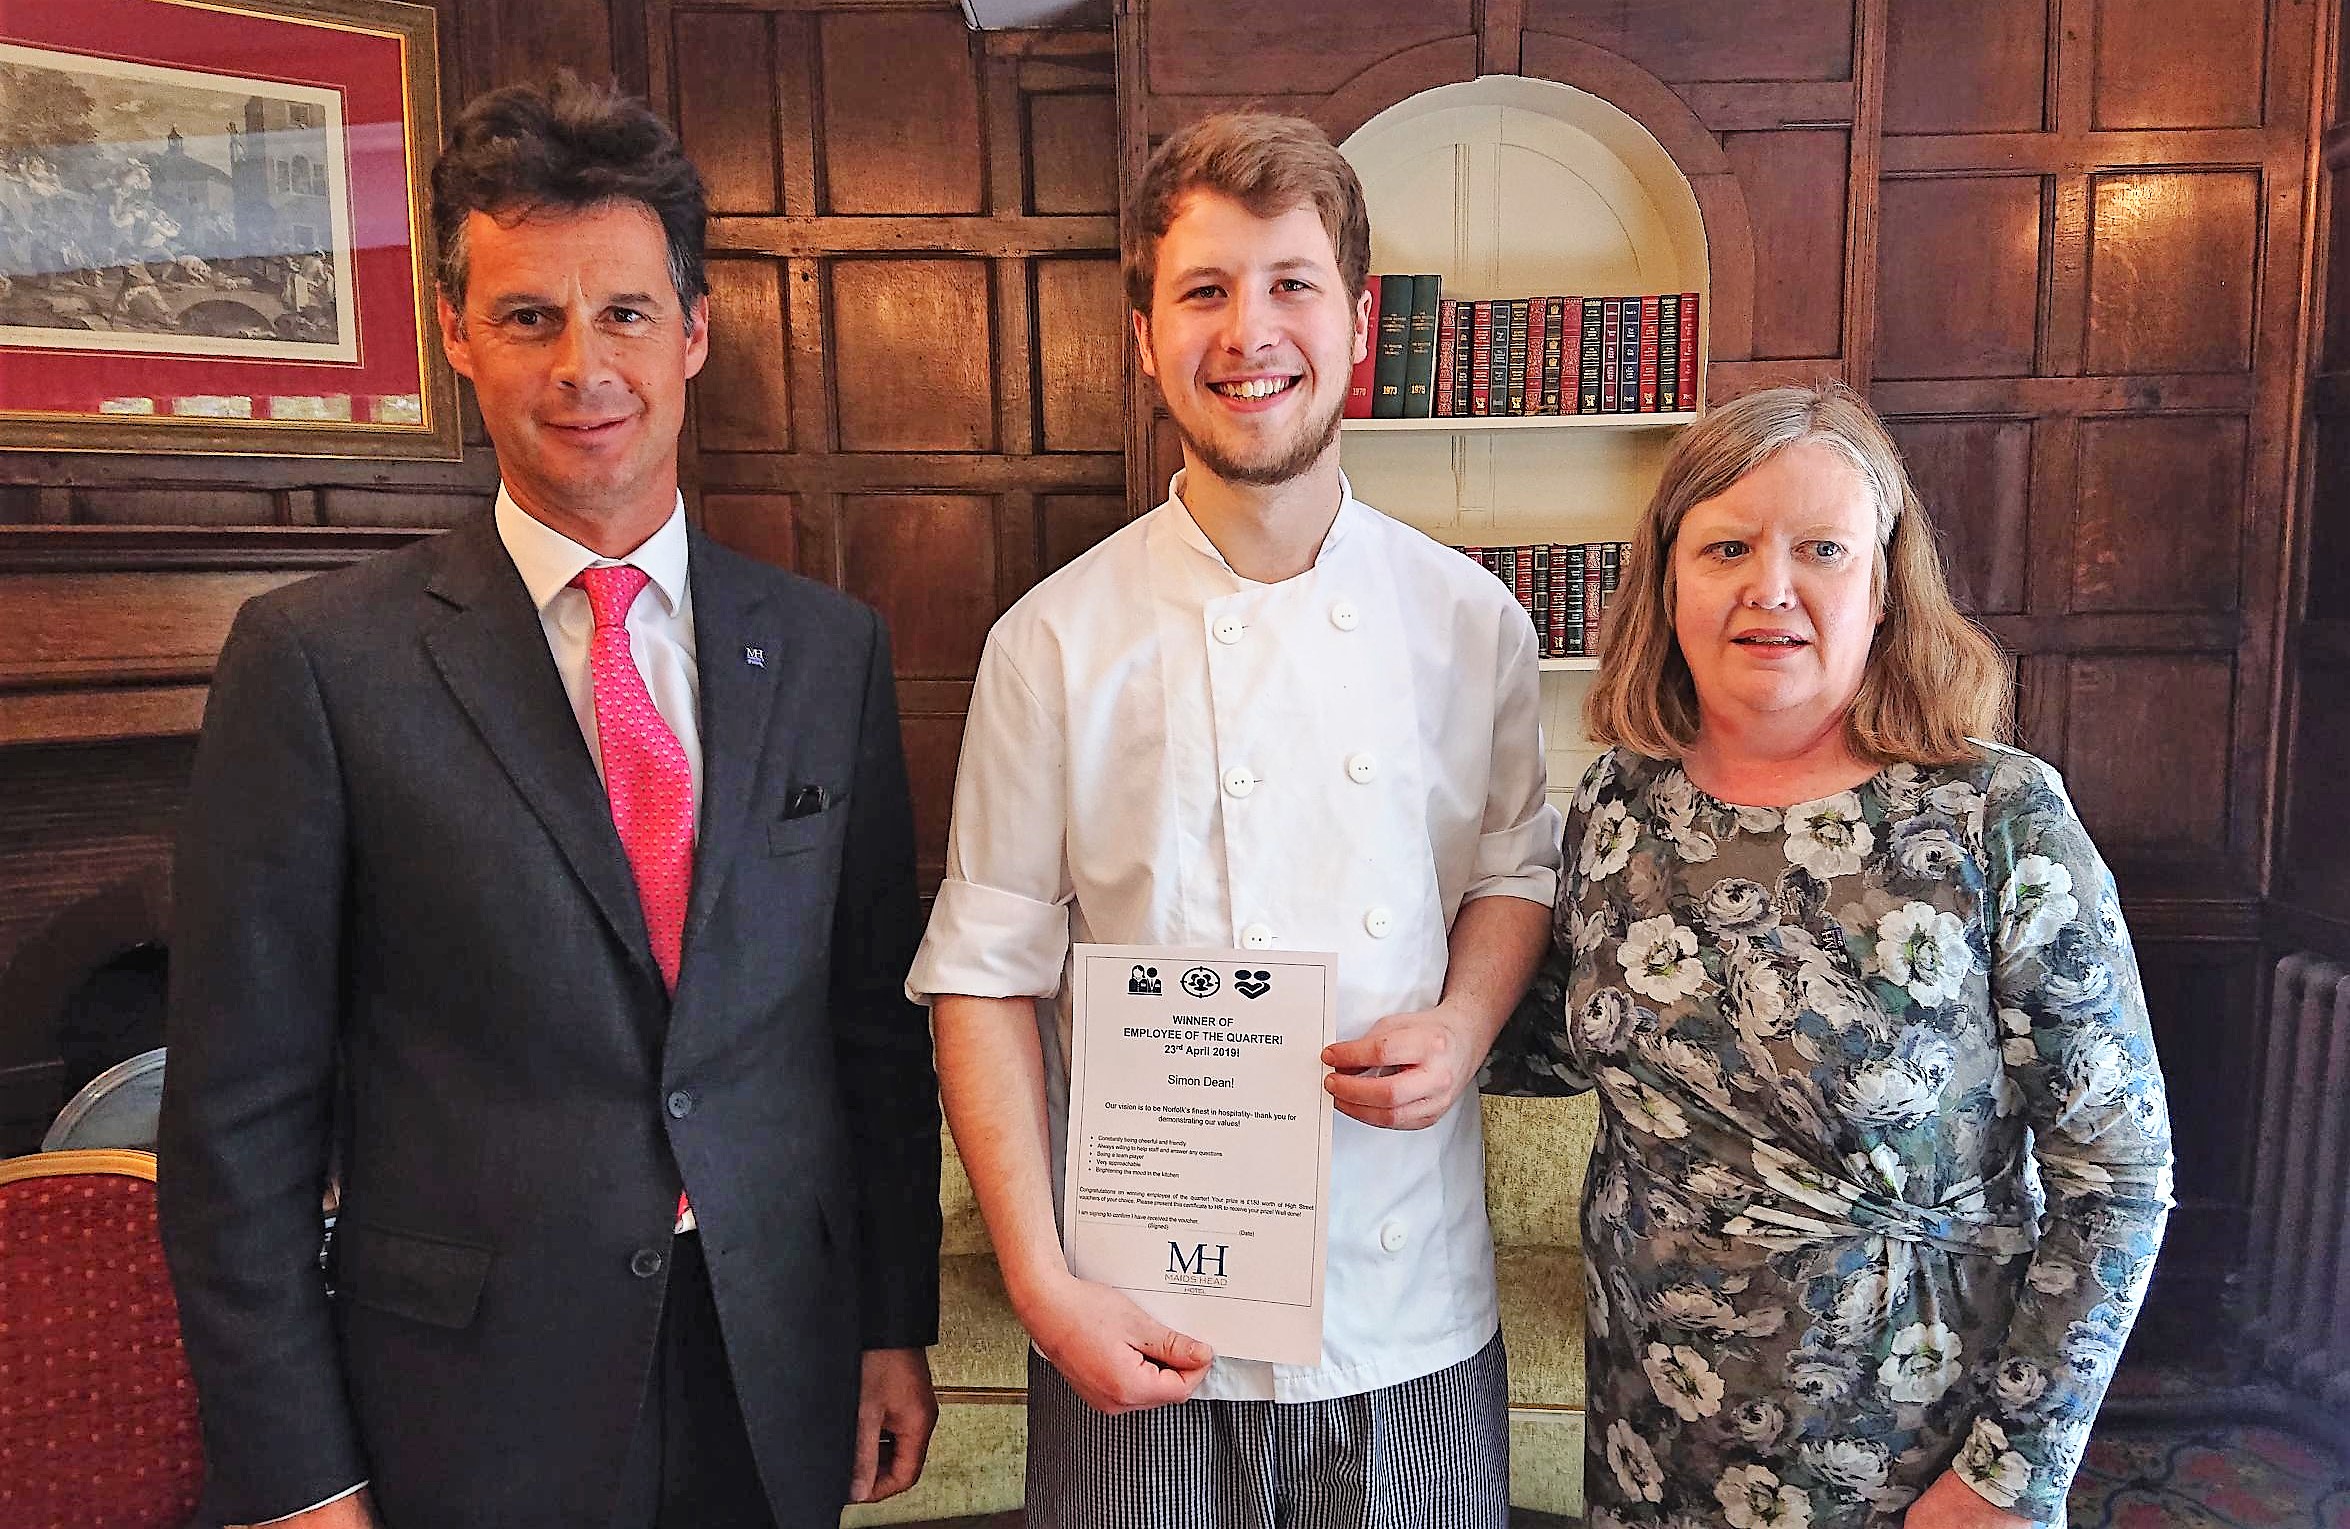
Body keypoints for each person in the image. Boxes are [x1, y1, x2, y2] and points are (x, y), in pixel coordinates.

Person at [157, 74, 940, 1529]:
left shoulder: (828, 648)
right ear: (459, 333)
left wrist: (893, 1321)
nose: (585, 365)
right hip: (465, 1397)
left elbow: (867, 1038)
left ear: (693, 331)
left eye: (626, 313)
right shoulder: (319, 662)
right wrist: (293, 1470)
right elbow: (236, 1119)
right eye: (529, 316)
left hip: (771, 1357)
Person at [906, 111, 1561, 1528]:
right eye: (1202, 290)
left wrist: (1462, 1026)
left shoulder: (1472, 624)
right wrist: (1040, 1285)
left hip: (1405, 1313)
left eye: (1289, 284)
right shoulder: (1052, 643)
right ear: (1142, 333)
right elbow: (982, 976)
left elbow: (1513, 869)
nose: (1247, 330)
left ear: (1359, 321)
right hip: (1128, 1309)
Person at [1486, 382, 2173, 1529]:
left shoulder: (1993, 814)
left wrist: (2010, 1473)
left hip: (1906, 1451)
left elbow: (2120, 1177)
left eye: (1819, 547)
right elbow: (1559, 1045)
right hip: (1650, 1435)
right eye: (1725, 546)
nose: (1770, 586)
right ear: (1666, 579)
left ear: (1882, 582)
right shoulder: (1618, 797)